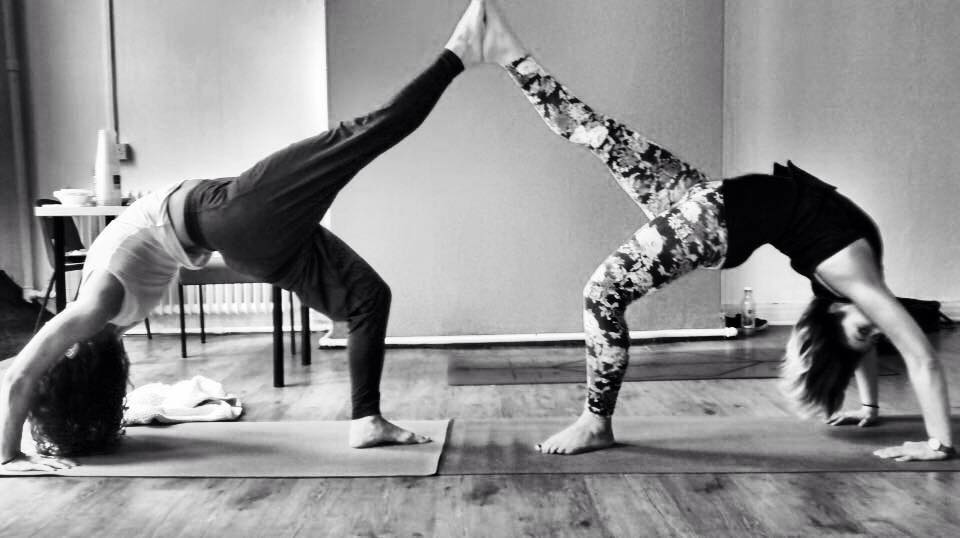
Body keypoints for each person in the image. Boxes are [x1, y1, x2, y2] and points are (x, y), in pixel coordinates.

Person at [0, 0, 487, 472]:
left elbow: (22, 374)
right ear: (77, 361)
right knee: (363, 133)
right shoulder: (99, 310)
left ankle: (366, 420)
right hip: (232, 216)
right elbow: (20, 372)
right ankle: (461, 50)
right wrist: (9, 455)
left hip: (243, 243)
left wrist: (16, 444)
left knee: (367, 297)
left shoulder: (100, 322)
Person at [481, 0, 953, 460]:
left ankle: (595, 422)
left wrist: (935, 443)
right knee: (597, 132)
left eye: (863, 332)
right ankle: (507, 51)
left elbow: (912, 355)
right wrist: (870, 406)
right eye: (869, 330)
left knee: (602, 294)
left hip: (710, 223)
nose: (874, 326)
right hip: (706, 198)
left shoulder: (853, 284)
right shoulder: (855, 282)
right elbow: (910, 354)